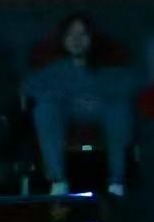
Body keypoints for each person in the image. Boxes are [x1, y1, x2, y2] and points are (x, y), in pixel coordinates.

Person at [23, 12, 138, 197]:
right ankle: (58, 181)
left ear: (91, 38)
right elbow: (31, 88)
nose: (76, 40)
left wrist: (99, 98)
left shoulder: (108, 66)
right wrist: (67, 98)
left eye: (82, 34)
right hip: (67, 111)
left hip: (102, 110)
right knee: (45, 110)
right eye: (70, 35)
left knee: (119, 109)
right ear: (63, 39)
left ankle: (117, 181)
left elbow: (129, 84)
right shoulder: (54, 69)